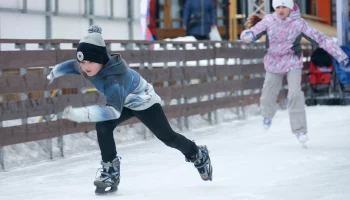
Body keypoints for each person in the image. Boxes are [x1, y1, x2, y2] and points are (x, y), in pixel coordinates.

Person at [47, 25, 213, 195]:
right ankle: (110, 170)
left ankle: (197, 153)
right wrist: (55, 72)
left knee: (168, 138)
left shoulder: (114, 81)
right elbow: (72, 66)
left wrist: (79, 114)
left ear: (102, 59)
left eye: (90, 62)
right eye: (83, 62)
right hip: (123, 102)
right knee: (103, 126)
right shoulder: (87, 66)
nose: (86, 67)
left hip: (144, 102)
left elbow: (112, 112)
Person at [240, 0, 348, 145]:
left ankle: (300, 130)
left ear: (290, 7)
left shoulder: (299, 23)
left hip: (292, 61)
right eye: (278, 7)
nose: (280, 10)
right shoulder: (269, 21)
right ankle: (267, 115)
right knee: (268, 92)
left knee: (295, 93)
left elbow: (320, 38)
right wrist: (247, 35)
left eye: (284, 6)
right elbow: (253, 32)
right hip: (273, 61)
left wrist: (340, 55)